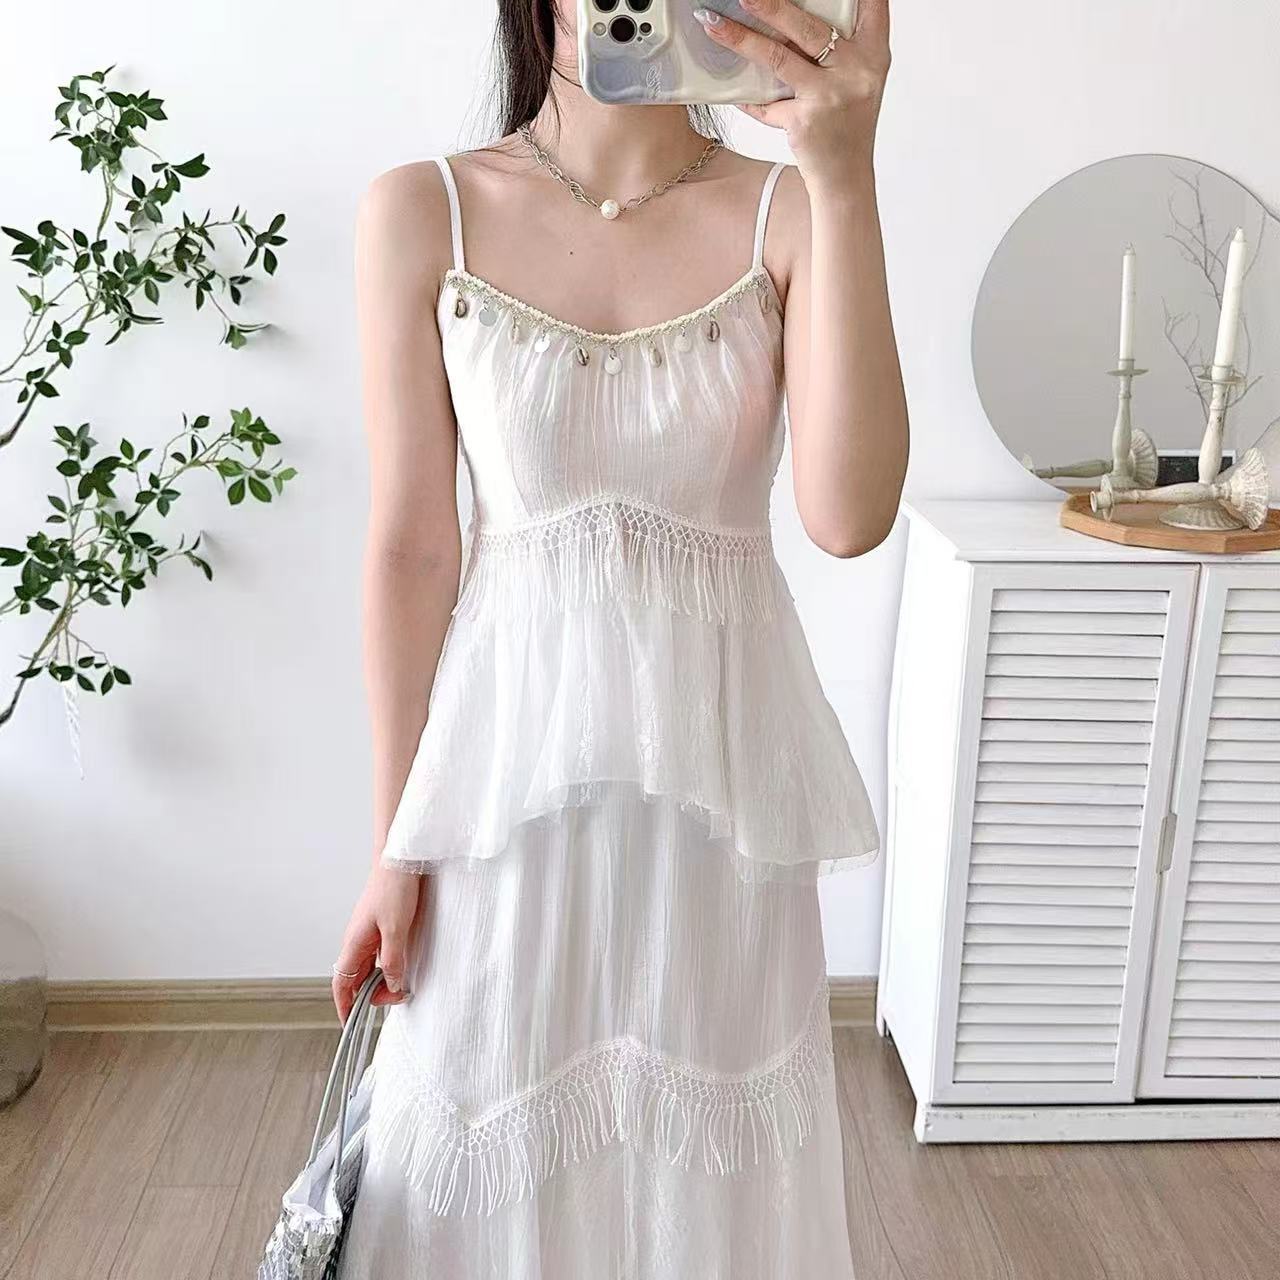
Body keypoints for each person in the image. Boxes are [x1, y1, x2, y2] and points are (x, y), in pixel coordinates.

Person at [331, 0, 906, 1273]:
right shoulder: (420, 210)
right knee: (465, 1151)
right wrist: (392, 847)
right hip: (497, 805)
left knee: (700, 1194)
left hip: (716, 817)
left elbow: (849, 515)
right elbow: (413, 550)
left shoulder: (786, 211)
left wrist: (845, 169)